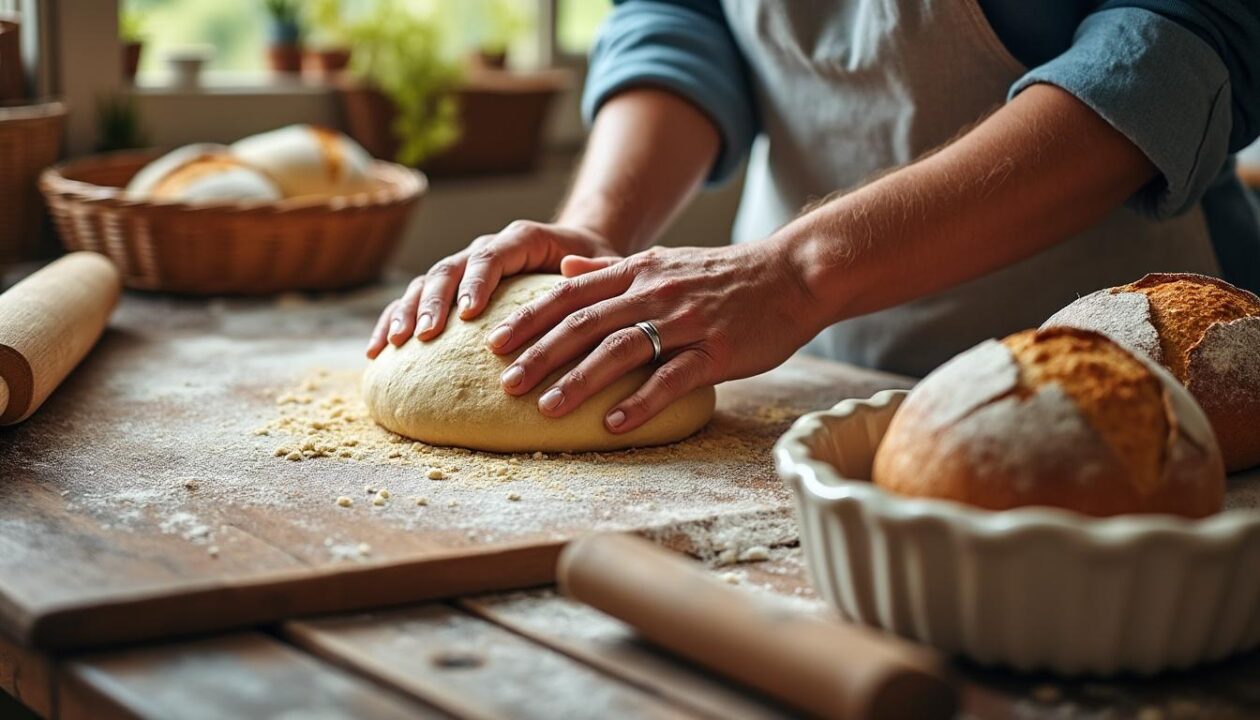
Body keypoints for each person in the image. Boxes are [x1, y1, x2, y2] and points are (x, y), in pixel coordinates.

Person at [367, 0, 1260, 436]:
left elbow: (1176, 48)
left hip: (1139, 379)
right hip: (805, 386)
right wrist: (602, 227)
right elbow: (683, 17)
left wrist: (795, 273)